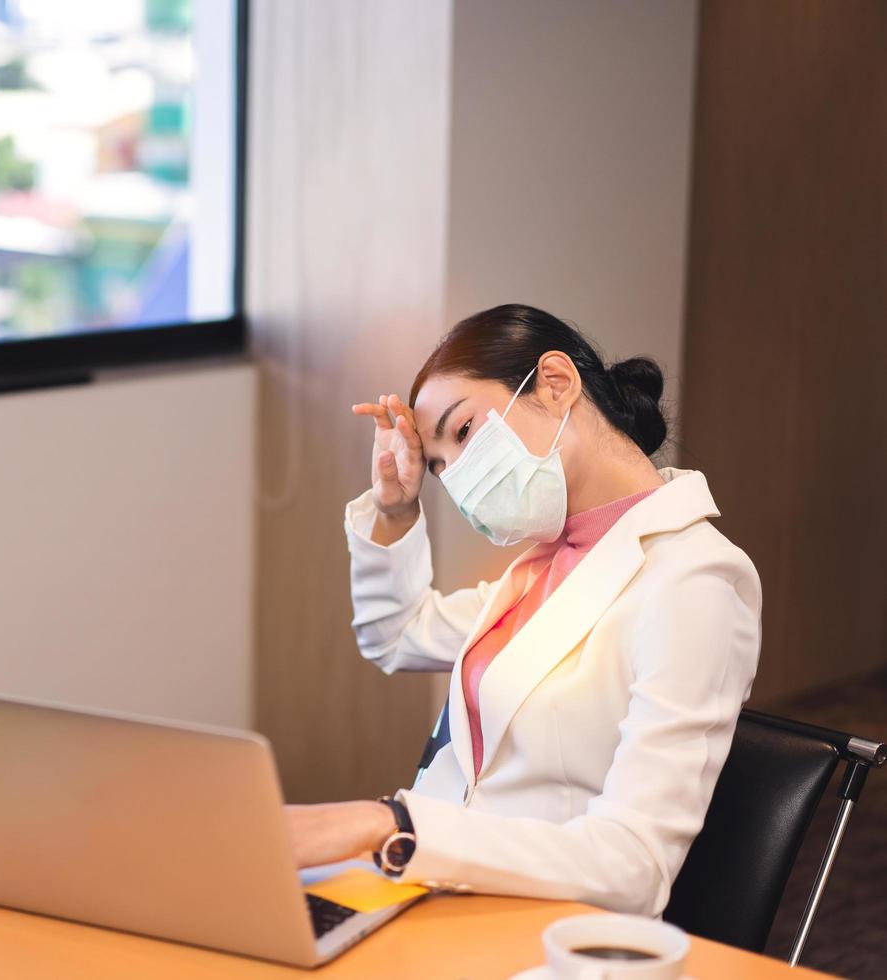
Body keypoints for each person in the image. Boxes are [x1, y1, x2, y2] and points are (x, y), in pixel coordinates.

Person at [283, 303, 762, 917]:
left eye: (462, 434)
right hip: (424, 893)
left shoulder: (697, 578)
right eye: (439, 468)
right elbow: (394, 636)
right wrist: (397, 508)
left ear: (556, 385)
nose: (456, 481)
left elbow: (634, 865)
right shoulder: (547, 562)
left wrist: (390, 824)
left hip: (533, 923)